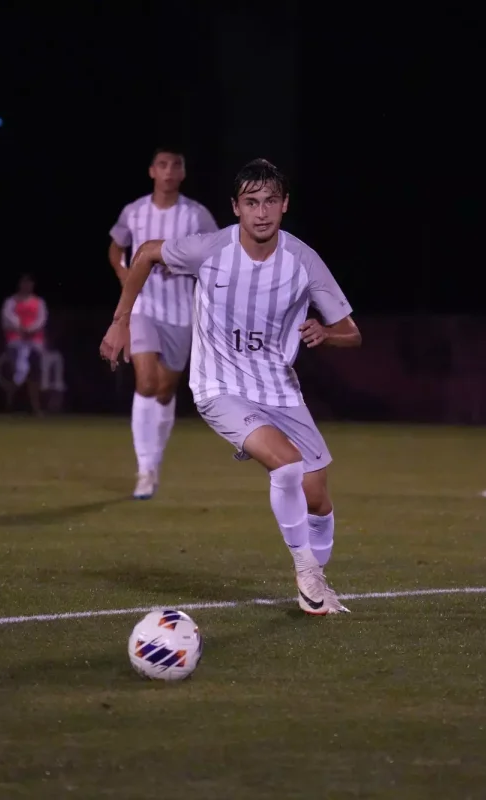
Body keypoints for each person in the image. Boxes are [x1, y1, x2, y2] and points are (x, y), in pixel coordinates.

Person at [100, 158, 361, 616]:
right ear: (235, 207)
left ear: (285, 205)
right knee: (287, 468)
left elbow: (352, 332)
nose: (262, 212)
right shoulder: (210, 249)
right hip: (219, 386)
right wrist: (121, 321)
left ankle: (317, 580)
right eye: (251, 202)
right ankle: (305, 572)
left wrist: (327, 333)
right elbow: (144, 254)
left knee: (318, 498)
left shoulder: (303, 260)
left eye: (271, 202)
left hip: (280, 389)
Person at [108, 147, 219, 500]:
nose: (169, 171)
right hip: (143, 306)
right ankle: (144, 468)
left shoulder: (195, 215)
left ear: (183, 173)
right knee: (145, 381)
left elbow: (217, 255)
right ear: (152, 171)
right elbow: (115, 247)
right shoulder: (135, 211)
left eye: (176, 165)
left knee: (165, 390)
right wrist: (124, 272)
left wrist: (186, 264)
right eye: (162, 165)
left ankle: (154, 462)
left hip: (181, 312)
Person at [1, 273, 47, 416]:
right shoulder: (11, 302)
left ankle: (34, 407)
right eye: (24, 283)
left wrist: (30, 330)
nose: (27, 286)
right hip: (16, 342)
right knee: (17, 374)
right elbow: (7, 319)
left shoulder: (38, 302)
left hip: (34, 344)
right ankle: (10, 405)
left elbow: (41, 320)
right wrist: (19, 328)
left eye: (29, 283)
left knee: (34, 376)